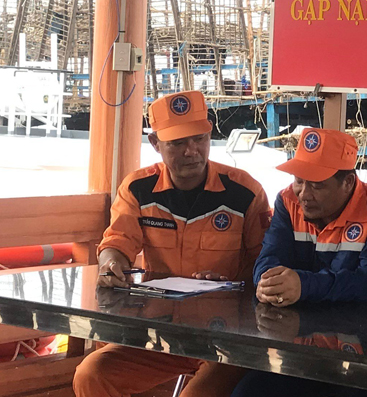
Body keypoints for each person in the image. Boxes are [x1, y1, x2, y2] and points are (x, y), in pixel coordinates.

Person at [73, 90, 271, 397]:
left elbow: (267, 263)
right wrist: (111, 262)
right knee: (92, 374)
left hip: (230, 339)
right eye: (177, 143)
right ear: (155, 144)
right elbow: (117, 240)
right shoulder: (138, 188)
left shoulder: (245, 192)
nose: (191, 151)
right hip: (161, 332)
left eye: (199, 139)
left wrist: (235, 286)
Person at [231, 127, 367, 397]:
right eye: (299, 180)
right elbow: (269, 257)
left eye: (317, 184)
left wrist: (302, 285)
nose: (304, 193)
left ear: (348, 182)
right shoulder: (287, 201)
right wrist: (267, 281)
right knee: (248, 392)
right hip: (301, 346)